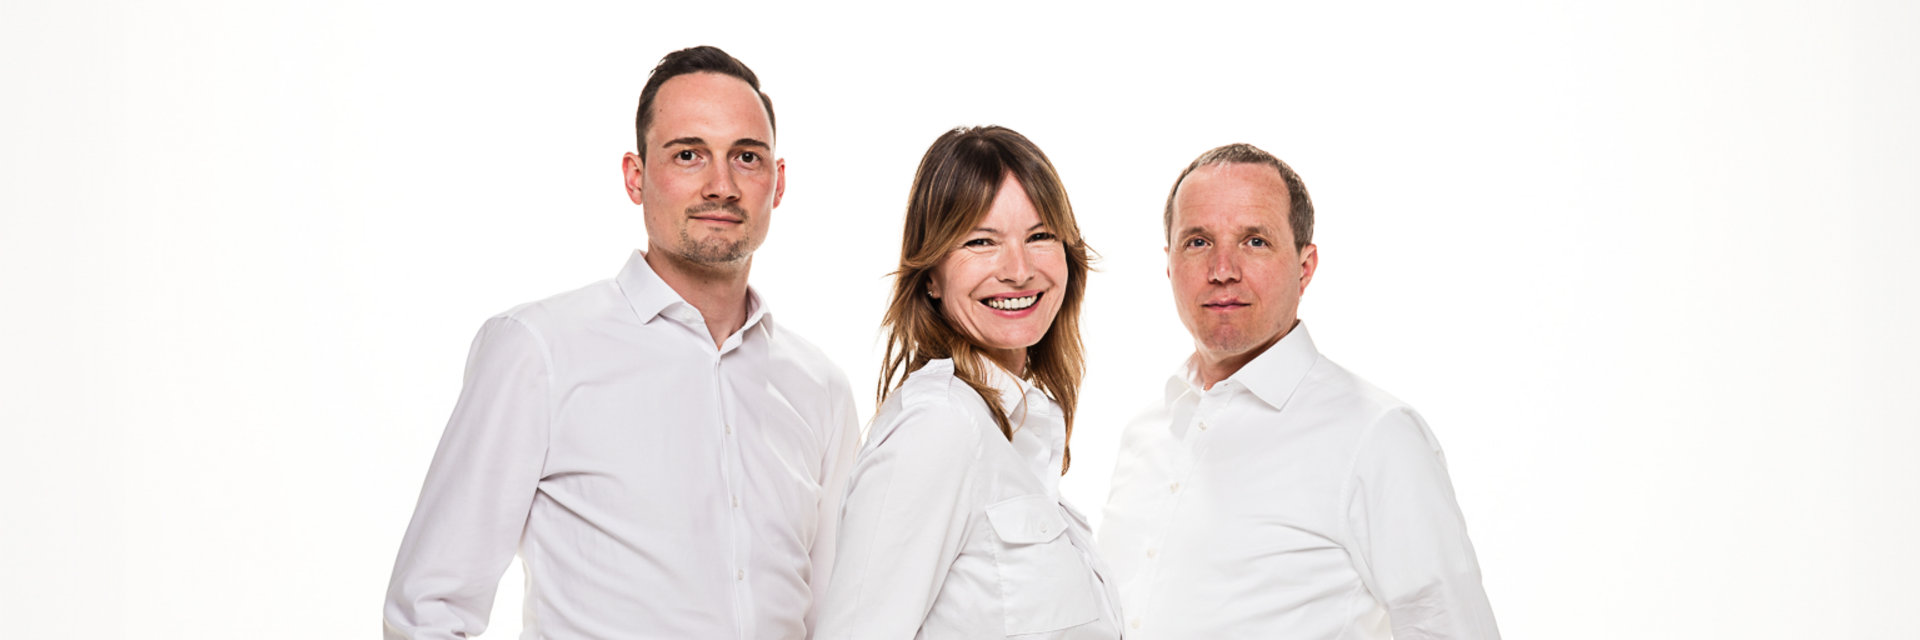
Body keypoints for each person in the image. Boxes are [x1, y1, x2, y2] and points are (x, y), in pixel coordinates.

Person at [382, 46, 861, 640]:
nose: (722, 185)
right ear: (636, 177)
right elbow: (429, 610)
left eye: (746, 157)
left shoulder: (820, 388)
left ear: (778, 182)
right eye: (688, 155)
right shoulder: (539, 350)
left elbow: (838, 618)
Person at [1098, 143, 1500, 639]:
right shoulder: (1146, 432)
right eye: (1198, 242)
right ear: (1169, 264)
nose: (1222, 269)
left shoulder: (1377, 436)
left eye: (1255, 241)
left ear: (1305, 267)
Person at [812, 126, 1121, 639]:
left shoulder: (1012, 428)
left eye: (1040, 236)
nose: (1018, 270)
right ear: (931, 275)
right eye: (981, 241)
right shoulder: (938, 427)